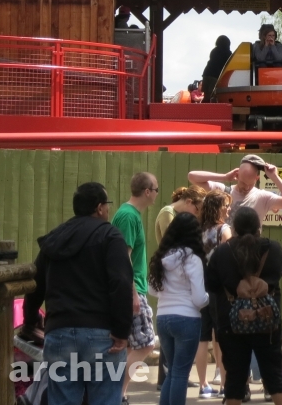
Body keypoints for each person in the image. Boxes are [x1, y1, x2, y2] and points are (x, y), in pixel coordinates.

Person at [22, 182, 133, 405]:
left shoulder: (54, 240)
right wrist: (122, 331)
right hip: (103, 336)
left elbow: (35, 286)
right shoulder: (110, 236)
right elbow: (121, 283)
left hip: (59, 333)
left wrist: (31, 319)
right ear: (100, 207)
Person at [205, 208, 282, 405]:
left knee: (234, 378)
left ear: (234, 228)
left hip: (231, 322)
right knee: (274, 374)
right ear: (258, 226)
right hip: (267, 319)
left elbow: (211, 284)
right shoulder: (274, 249)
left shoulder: (222, 252)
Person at [149, 213, 211, 405]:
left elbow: (152, 289)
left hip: (163, 317)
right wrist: (211, 298)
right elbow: (199, 298)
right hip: (187, 318)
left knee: (173, 371)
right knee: (181, 373)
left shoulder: (161, 257)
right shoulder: (192, 259)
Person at [113, 172, 161, 404]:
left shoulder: (130, 215)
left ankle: (118, 393)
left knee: (133, 344)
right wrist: (133, 293)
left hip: (136, 288)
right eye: (156, 190)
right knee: (146, 343)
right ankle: (117, 393)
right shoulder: (128, 217)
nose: (156, 195)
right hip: (133, 289)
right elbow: (124, 258)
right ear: (147, 191)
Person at [188, 154, 282, 224]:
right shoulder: (223, 192)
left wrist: (275, 177)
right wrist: (224, 177)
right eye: (242, 182)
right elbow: (192, 176)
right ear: (237, 175)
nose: (246, 187)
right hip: (225, 252)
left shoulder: (263, 197)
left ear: (257, 178)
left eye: (250, 184)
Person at [197, 191, 233, 397]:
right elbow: (228, 256)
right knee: (221, 337)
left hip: (200, 288)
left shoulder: (198, 229)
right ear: (216, 208)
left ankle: (203, 385)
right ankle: (224, 384)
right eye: (225, 206)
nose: (228, 209)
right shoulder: (224, 229)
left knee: (202, 338)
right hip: (219, 290)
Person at [202, 36, 232, 102]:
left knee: (206, 96)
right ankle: (210, 111)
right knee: (212, 96)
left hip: (206, 73)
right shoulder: (228, 53)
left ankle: (202, 109)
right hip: (215, 75)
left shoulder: (214, 51)